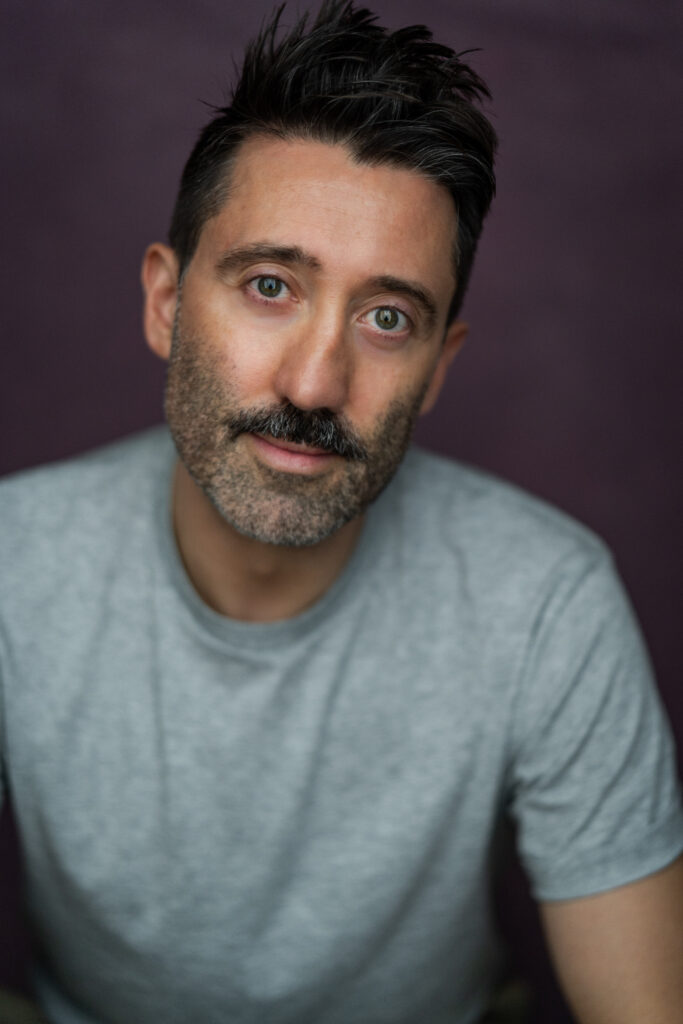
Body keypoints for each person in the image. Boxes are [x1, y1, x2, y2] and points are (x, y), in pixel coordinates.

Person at [1, 1, 682, 1022]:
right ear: (166, 303)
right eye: (270, 285)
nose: (315, 383)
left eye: (386, 317)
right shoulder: (15, 569)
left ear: (437, 366)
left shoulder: (544, 598)